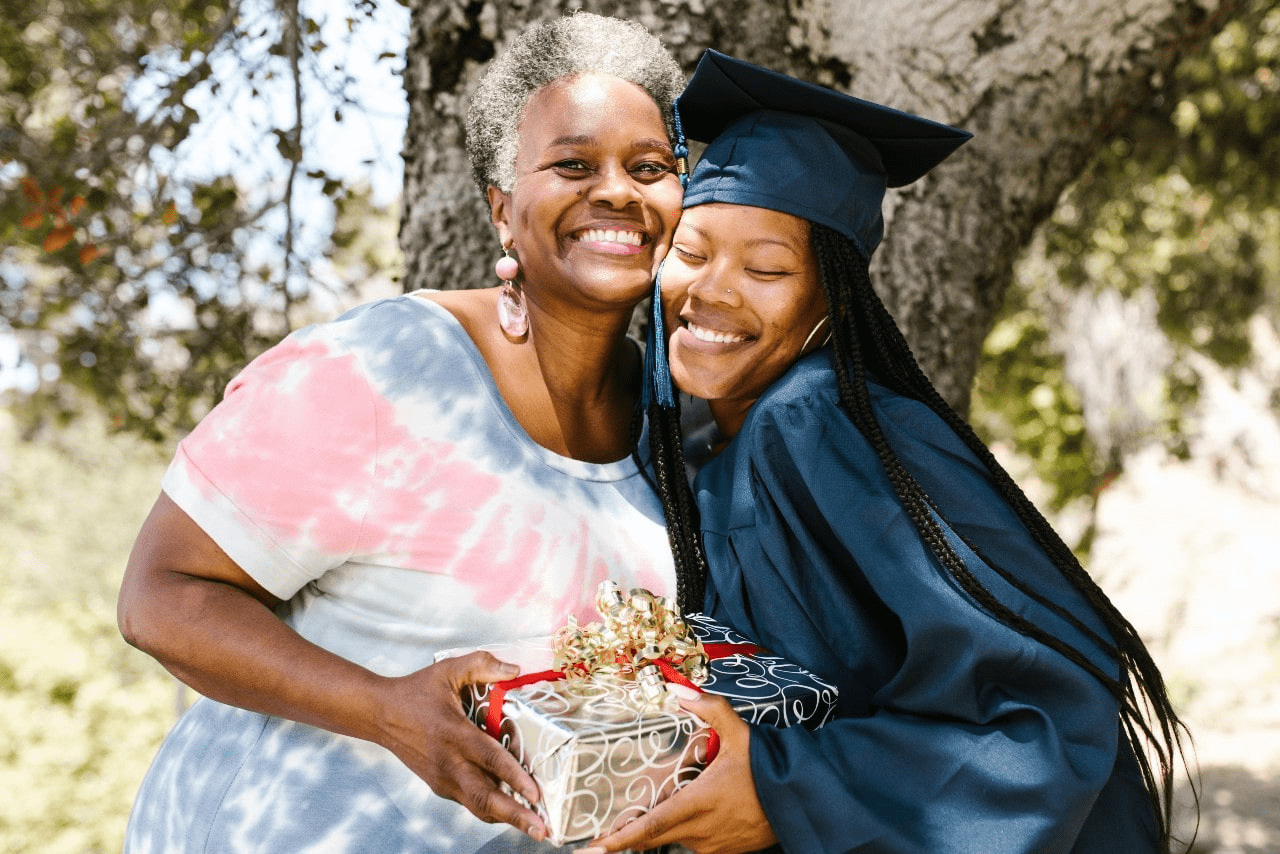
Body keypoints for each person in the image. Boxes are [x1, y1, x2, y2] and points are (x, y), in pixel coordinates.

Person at [585, 51, 1193, 854]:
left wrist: (784, 790)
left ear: (829, 299)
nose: (713, 290)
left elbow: (1051, 706)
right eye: (692, 254)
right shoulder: (700, 444)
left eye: (768, 267)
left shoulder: (816, 422)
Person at [116, 13, 688, 853]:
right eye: (573, 164)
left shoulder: (675, 424)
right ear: (502, 211)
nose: (617, 192)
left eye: (650, 168)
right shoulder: (384, 370)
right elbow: (161, 597)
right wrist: (386, 710)